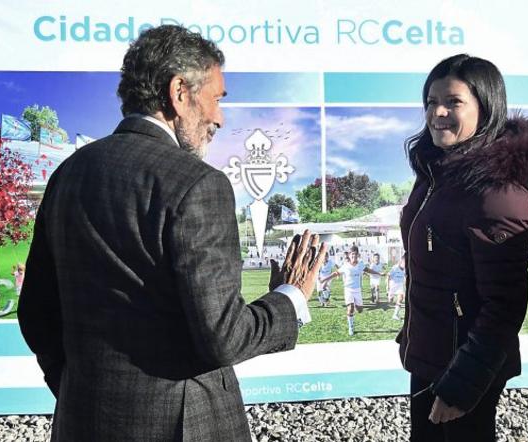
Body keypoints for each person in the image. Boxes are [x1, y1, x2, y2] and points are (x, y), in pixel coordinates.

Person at [17, 25, 327, 442]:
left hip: (82, 421)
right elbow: (224, 339)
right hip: (181, 426)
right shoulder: (198, 184)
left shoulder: (68, 173)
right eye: (216, 98)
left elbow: (36, 313)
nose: (219, 117)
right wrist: (290, 297)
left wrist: (78, 388)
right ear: (180, 92)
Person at [396, 54, 528, 441]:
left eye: (453, 102)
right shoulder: (436, 173)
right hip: (432, 354)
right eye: (431, 102)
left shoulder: (496, 192)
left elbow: (504, 304)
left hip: (464, 366)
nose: (438, 113)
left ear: (486, 107)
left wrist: (463, 384)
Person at [321, 245, 384, 336]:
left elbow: (368, 270)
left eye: (355, 254)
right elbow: (336, 273)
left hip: (357, 290)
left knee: (360, 310)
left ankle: (356, 305)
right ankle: (351, 327)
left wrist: (378, 273)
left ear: (358, 255)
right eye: (352, 254)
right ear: (349, 255)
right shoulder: (345, 265)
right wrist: (325, 279)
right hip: (348, 290)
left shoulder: (360, 264)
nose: (353, 256)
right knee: (350, 309)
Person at [388, 254, 407, 320]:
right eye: (405, 262)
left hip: (400, 286)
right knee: (390, 301)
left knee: (400, 298)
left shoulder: (405, 269)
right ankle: (390, 297)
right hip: (393, 286)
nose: (405, 264)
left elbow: (405, 277)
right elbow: (388, 276)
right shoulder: (395, 268)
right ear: (401, 261)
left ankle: (395, 315)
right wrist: (387, 287)